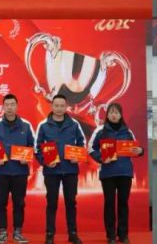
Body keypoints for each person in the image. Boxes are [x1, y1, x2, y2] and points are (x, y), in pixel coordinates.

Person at [88, 103, 144, 244]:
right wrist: (100, 158)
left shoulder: (128, 131)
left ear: (121, 115)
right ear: (107, 114)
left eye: (116, 113)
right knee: (109, 204)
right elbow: (91, 148)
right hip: (108, 173)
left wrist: (140, 151)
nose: (114, 115)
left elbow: (136, 148)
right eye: (111, 112)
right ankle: (111, 235)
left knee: (123, 203)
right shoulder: (100, 130)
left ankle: (123, 235)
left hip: (125, 172)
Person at [35, 94, 87, 244]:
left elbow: (82, 144)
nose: (59, 108)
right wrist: (45, 162)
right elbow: (37, 148)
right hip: (51, 171)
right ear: (52, 106)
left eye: (62, 106)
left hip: (70, 170)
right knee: (51, 203)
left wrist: (78, 156)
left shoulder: (74, 124)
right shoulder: (43, 125)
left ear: (66, 107)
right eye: (56, 105)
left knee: (71, 202)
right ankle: (49, 234)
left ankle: (73, 233)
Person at [0, 94, 35, 244]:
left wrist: (27, 158)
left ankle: (18, 233)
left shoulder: (26, 126)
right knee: (1, 203)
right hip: (1, 172)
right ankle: (2, 233)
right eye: (7, 105)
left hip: (20, 172)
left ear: (17, 106)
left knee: (19, 203)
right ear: (3, 107)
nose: (10, 107)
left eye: (12, 104)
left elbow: (33, 146)